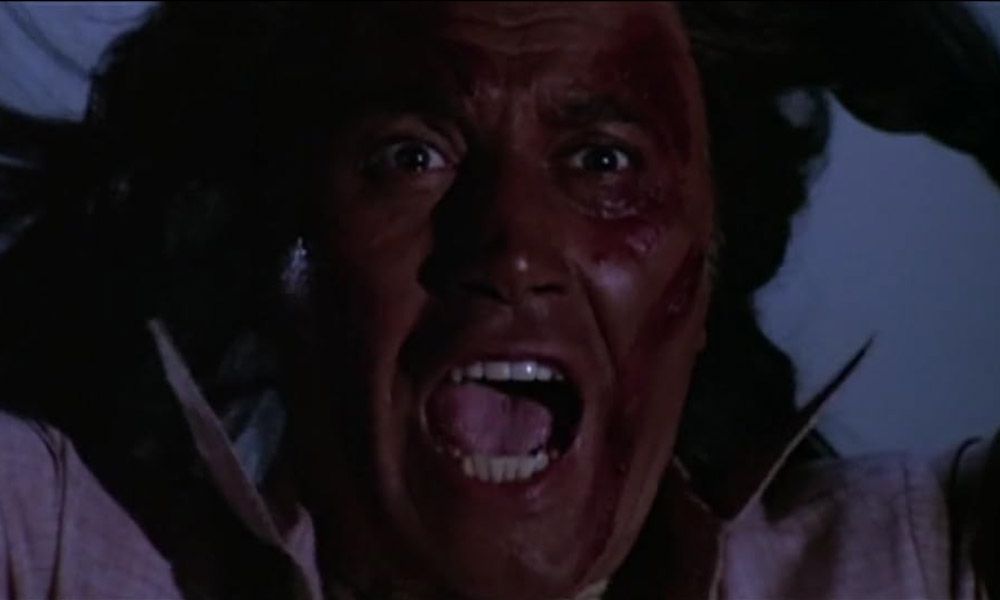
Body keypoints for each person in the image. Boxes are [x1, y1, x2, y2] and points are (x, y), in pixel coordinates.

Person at [0, 2, 997, 599]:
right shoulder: (52, 558)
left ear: (706, 267)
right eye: (410, 157)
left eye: (602, 161)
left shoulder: (912, 570)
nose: (514, 252)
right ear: (277, 247)